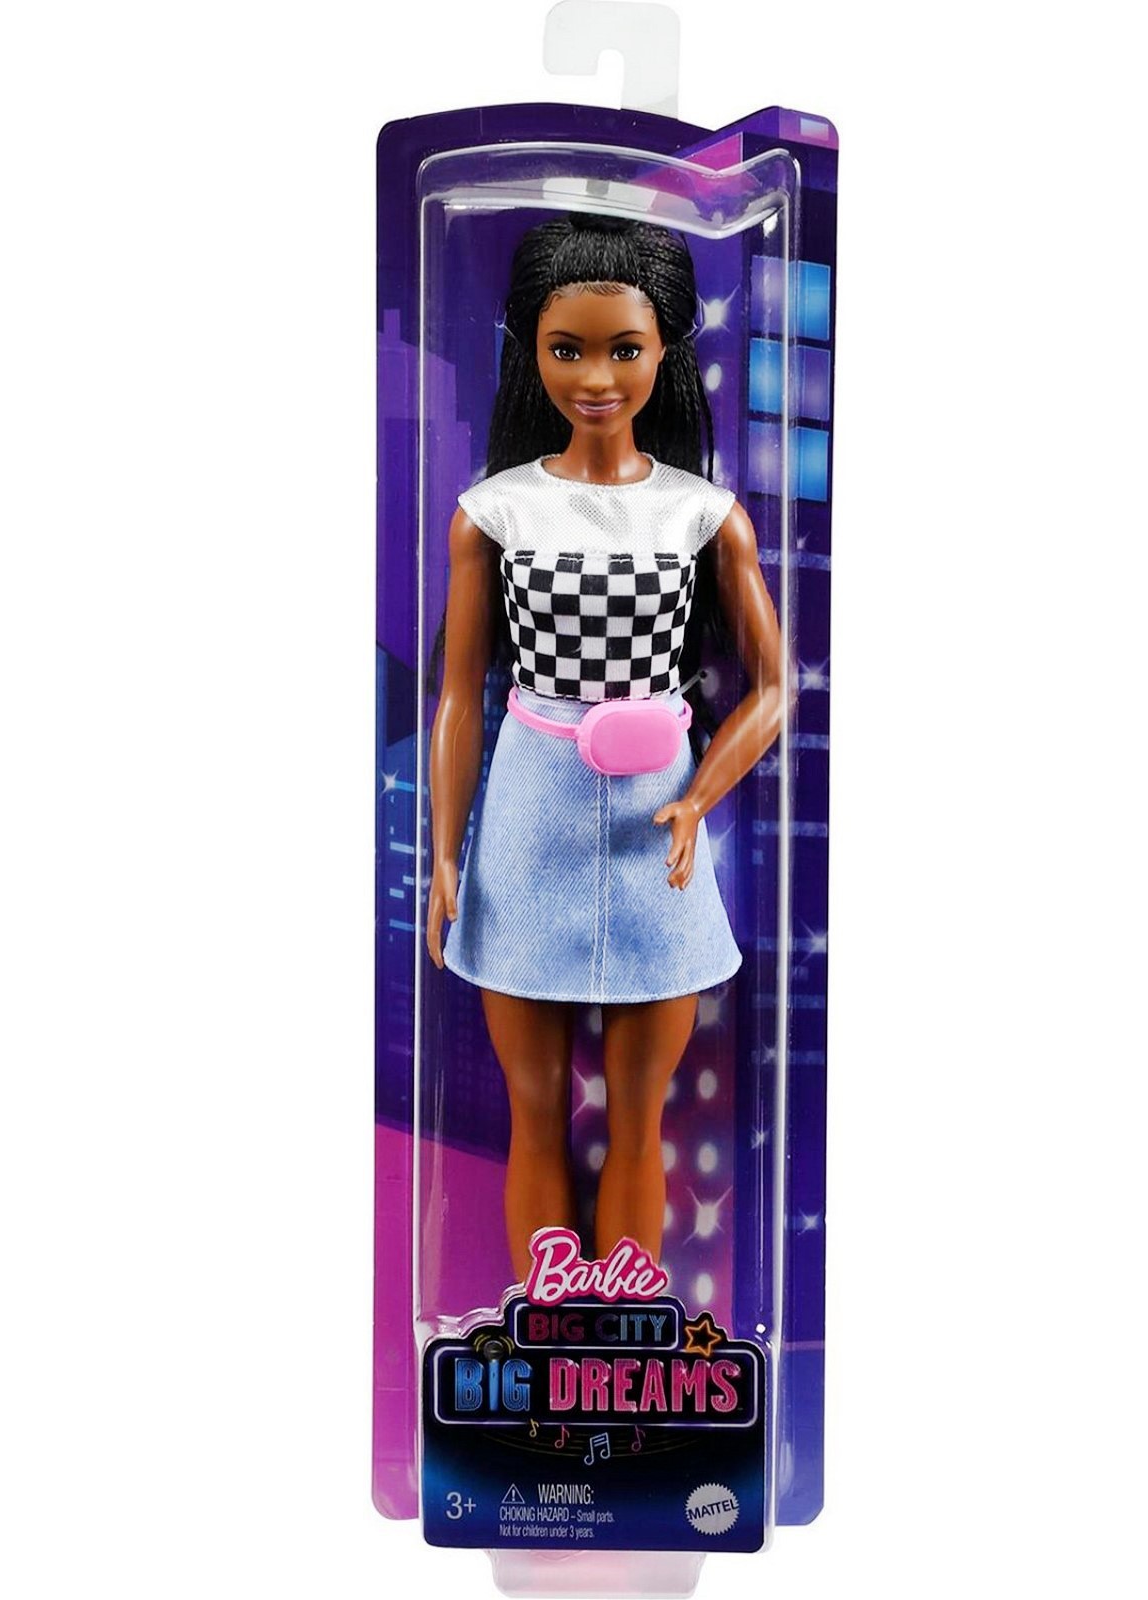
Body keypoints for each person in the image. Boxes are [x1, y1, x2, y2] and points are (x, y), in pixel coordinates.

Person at [426, 213, 784, 1280]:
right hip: (529, 806)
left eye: (623, 349)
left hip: (655, 819)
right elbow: (459, 697)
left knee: (642, 1112)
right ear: (530, 352)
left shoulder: (702, 515)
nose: (595, 377)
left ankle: (628, 1328)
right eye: (566, 349)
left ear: (664, 348)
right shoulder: (493, 513)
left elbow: (774, 687)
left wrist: (699, 797)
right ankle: (546, 1321)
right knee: (532, 1110)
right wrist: (444, 855)